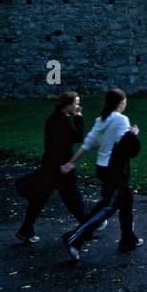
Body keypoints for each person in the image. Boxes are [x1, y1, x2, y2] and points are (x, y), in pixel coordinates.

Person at [60, 88, 143, 258]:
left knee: (125, 200)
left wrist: (71, 162)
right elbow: (124, 144)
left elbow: (87, 144)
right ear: (121, 102)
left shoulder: (101, 120)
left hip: (103, 168)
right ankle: (74, 238)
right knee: (108, 207)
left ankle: (128, 238)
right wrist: (133, 134)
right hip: (115, 170)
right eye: (125, 101)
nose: (126, 103)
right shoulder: (121, 119)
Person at [16, 91, 90, 243]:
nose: (78, 106)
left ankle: (25, 230)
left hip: (51, 165)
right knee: (72, 198)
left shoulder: (56, 118)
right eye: (76, 103)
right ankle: (88, 226)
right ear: (68, 105)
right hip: (60, 167)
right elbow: (78, 136)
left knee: (40, 199)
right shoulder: (60, 121)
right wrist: (78, 117)